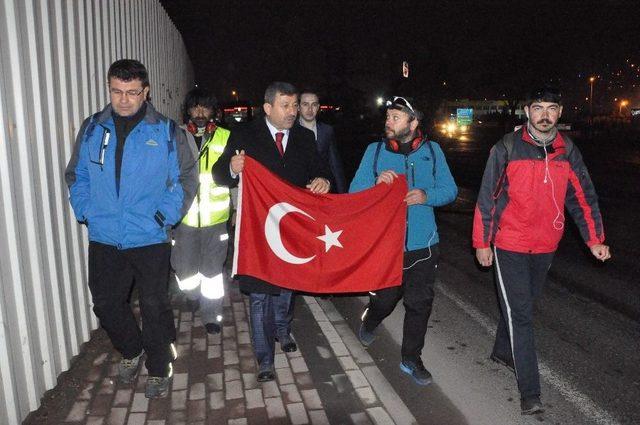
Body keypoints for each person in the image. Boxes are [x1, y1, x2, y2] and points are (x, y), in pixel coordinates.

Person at [472, 86, 611, 415]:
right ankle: (530, 393)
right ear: (527, 112)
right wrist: (482, 242)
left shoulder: (567, 151)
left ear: (559, 113)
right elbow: (487, 197)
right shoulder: (506, 147)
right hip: (510, 244)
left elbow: (582, 197)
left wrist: (594, 239)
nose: (545, 115)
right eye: (538, 108)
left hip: (547, 245)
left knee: (522, 308)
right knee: (522, 316)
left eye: (551, 108)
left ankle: (502, 351)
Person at [65, 59, 198, 398]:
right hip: (105, 236)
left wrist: (162, 217)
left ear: (146, 91)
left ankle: (159, 366)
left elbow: (186, 179)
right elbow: (76, 175)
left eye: (132, 92)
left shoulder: (166, 131)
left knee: (154, 305)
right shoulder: (93, 128)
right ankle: (132, 348)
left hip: (149, 236)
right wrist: (86, 211)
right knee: (106, 303)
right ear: (109, 89)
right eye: (116, 92)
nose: (124, 100)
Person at [212, 81, 331, 382]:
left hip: (292, 227)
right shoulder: (244, 135)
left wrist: (322, 179)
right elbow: (217, 173)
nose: (293, 112)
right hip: (257, 230)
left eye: (295, 105)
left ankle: (283, 328)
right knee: (260, 295)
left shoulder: (304, 137)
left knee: (288, 282)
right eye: (286, 106)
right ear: (268, 108)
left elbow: (322, 167)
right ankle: (264, 358)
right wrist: (232, 167)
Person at [350, 96, 457, 386]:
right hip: (386, 246)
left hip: (424, 246)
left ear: (413, 122)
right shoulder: (374, 152)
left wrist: (427, 195)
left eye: (396, 117)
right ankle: (371, 319)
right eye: (388, 116)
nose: (388, 121)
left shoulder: (433, 152)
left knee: (419, 304)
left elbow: (449, 190)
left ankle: (411, 359)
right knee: (385, 299)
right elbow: (353, 191)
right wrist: (374, 183)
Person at [171, 88, 231, 334]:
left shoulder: (226, 137)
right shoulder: (175, 137)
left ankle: (211, 316)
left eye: (205, 108)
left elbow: (236, 176)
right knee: (184, 271)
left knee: (213, 273)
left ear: (213, 112)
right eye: (195, 107)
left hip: (216, 219)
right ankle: (191, 294)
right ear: (187, 111)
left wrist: (236, 209)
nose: (200, 112)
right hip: (184, 218)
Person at [297, 90, 347, 193]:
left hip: (322, 189)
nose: (310, 109)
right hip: (299, 190)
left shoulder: (327, 130)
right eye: (305, 104)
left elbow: (334, 164)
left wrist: (343, 194)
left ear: (318, 107)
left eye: (314, 105)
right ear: (298, 107)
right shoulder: (290, 130)